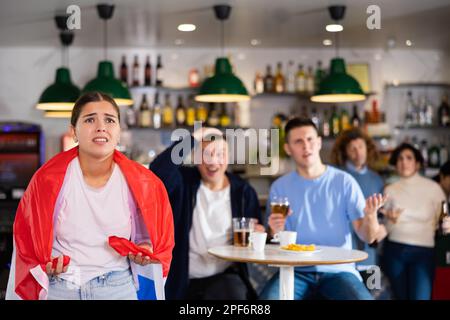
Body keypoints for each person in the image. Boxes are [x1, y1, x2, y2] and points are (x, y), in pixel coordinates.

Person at [6, 92, 174, 300]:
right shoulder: (46, 180)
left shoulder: (143, 183)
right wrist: (44, 262)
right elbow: (27, 239)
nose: (101, 126)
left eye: (109, 120)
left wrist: (145, 249)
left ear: (119, 131)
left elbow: (149, 237)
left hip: (118, 289)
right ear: (73, 131)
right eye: (90, 119)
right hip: (61, 288)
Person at [259, 117, 386, 300]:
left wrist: (371, 215)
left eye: (310, 139)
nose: (306, 146)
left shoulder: (344, 182)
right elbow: (274, 240)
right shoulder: (279, 187)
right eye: (298, 141)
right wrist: (273, 231)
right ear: (288, 149)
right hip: (294, 271)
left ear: (318, 142)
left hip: (339, 270)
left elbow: (368, 236)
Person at [150, 126, 263, 300]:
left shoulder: (243, 192)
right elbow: (157, 171)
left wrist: (262, 233)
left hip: (225, 278)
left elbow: (258, 235)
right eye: (206, 153)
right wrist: (193, 138)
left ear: (229, 157)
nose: (213, 161)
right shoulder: (183, 182)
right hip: (182, 281)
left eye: (220, 153)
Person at [381, 143, 447, 300]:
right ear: (395, 164)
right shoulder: (389, 190)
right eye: (400, 159)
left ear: (417, 163)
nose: (404, 162)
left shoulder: (434, 189)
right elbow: (382, 227)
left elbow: (444, 219)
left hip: (424, 253)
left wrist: (446, 224)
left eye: (409, 158)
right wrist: (389, 220)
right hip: (394, 251)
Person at [330, 128, 385, 266]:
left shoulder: (376, 179)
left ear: (367, 148)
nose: (358, 152)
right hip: (343, 250)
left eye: (360, 147)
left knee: (372, 286)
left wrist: (384, 227)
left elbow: (381, 213)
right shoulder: (336, 177)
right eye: (352, 149)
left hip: (369, 252)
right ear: (345, 152)